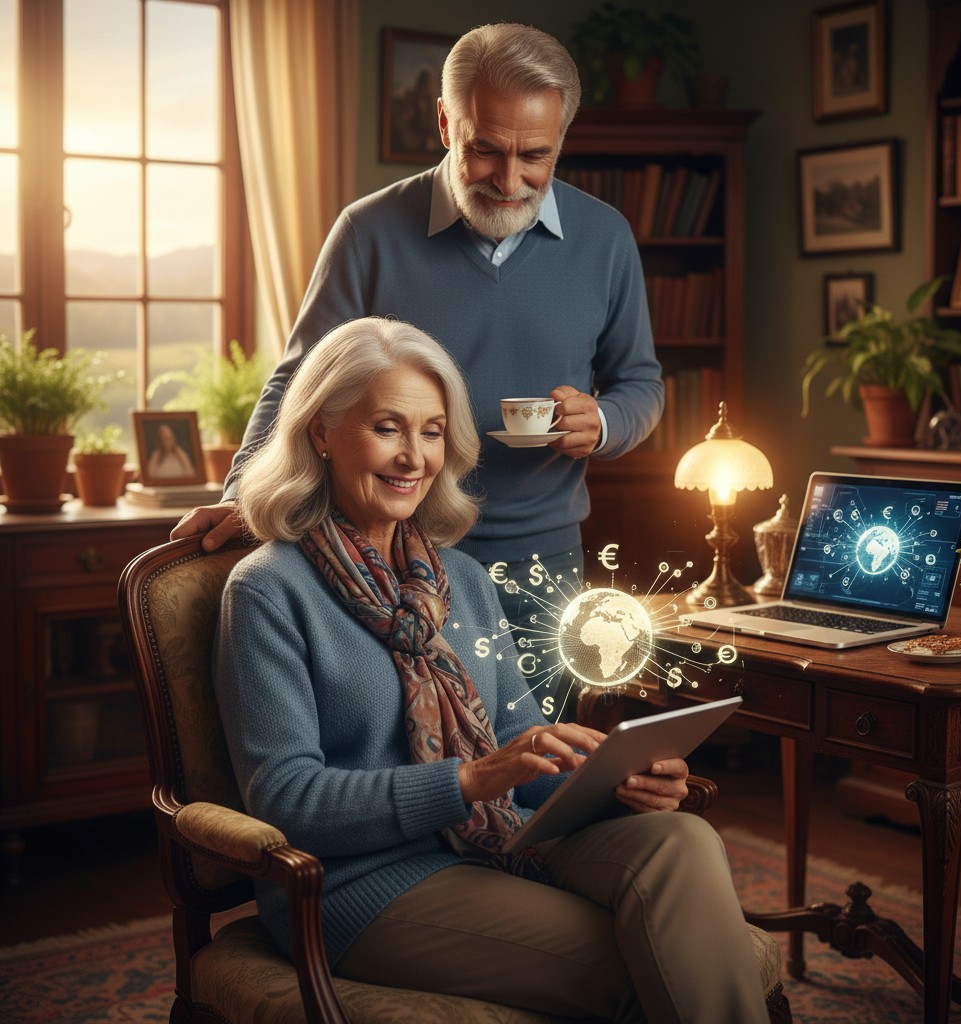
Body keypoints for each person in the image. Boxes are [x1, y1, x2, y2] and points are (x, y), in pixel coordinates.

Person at [212, 317, 767, 1024]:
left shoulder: (462, 581)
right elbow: (286, 800)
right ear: (320, 431)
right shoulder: (268, 590)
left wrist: (617, 781)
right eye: (388, 427)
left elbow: (522, 743)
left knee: (682, 836)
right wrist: (470, 779)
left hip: (497, 838)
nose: (415, 457)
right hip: (362, 886)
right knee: (657, 962)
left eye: (433, 431)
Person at [175, 23, 665, 720]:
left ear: (563, 139)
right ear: (444, 123)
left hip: (543, 564)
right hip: (393, 553)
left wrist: (606, 420)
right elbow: (300, 380)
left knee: (536, 775)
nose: (509, 179)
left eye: (536, 157)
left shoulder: (607, 237)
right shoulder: (368, 230)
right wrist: (242, 492)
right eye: (485, 150)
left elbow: (642, 385)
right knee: (417, 761)